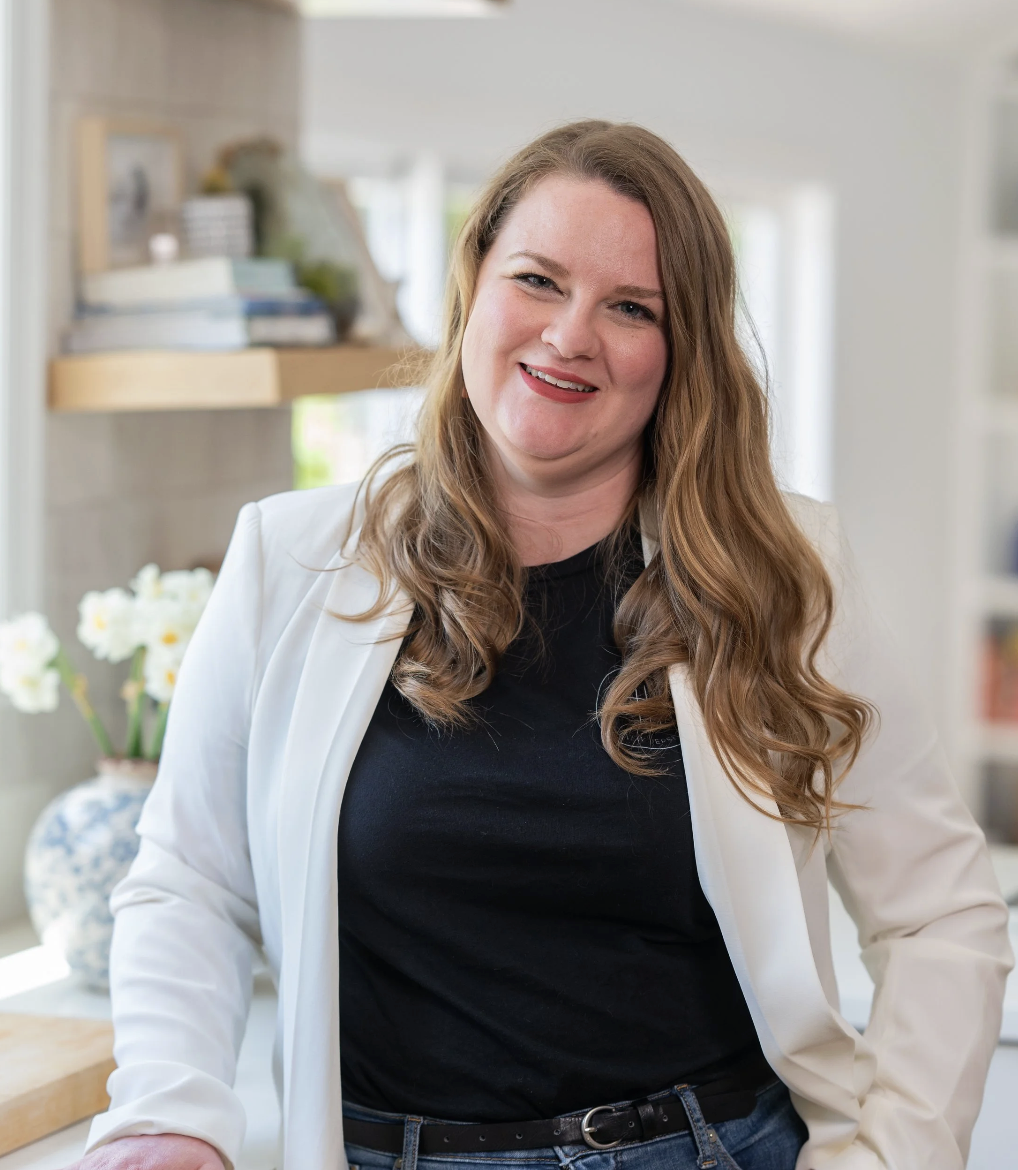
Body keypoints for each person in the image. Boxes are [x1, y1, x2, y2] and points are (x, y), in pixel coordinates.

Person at [72, 121, 1010, 1170]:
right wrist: (166, 1114)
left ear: (679, 350)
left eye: (629, 308)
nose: (570, 336)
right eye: (537, 279)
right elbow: (190, 882)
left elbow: (940, 914)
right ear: (473, 282)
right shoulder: (289, 562)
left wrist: (894, 1159)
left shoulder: (782, 575)